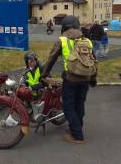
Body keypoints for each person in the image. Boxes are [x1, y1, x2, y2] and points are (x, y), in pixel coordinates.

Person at [40, 15, 96, 144]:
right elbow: (93, 61)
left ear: (64, 27)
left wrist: (44, 74)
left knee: (68, 107)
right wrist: (93, 78)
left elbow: (51, 59)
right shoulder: (87, 41)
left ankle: (77, 135)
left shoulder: (62, 40)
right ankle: (76, 129)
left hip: (71, 79)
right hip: (85, 79)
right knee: (79, 105)